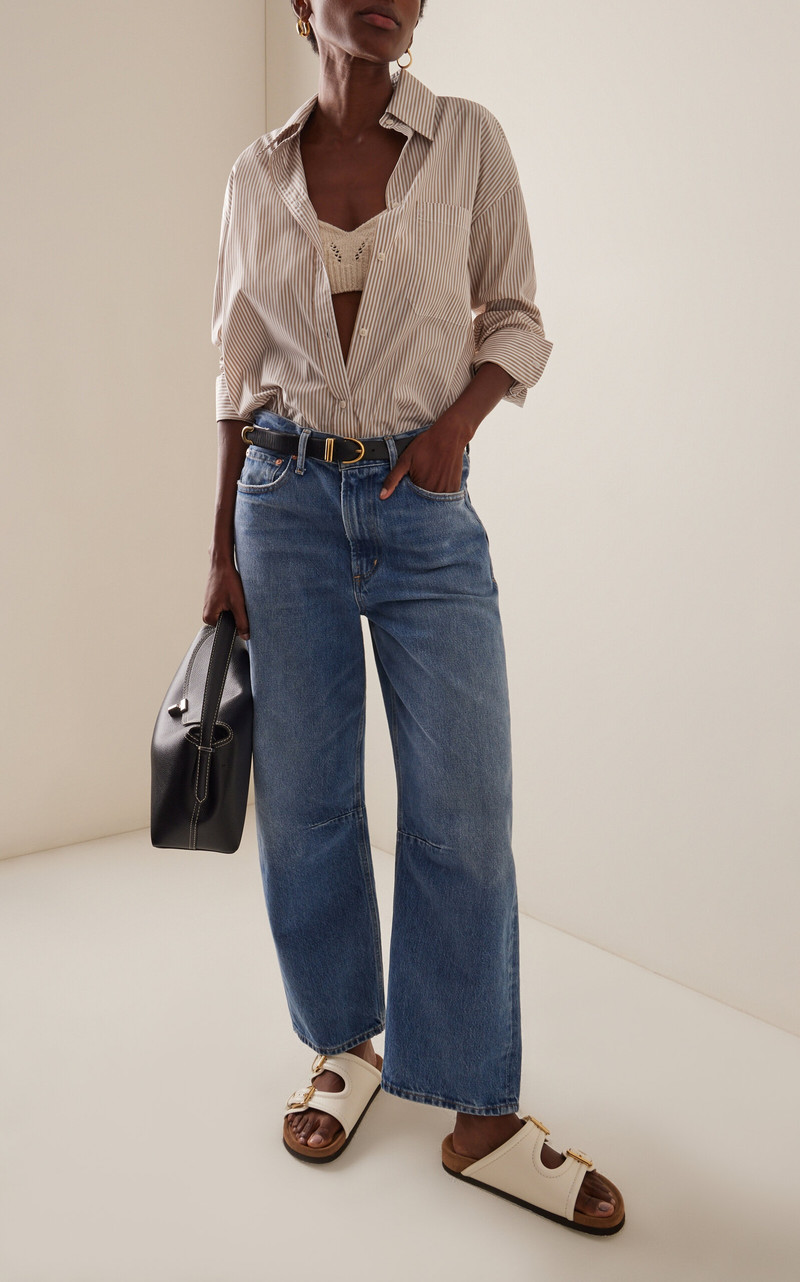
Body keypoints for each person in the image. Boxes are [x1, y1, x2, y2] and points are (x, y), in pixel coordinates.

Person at [203, 0, 624, 1235]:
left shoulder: (468, 142)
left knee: (463, 810)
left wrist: (454, 428)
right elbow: (232, 370)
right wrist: (218, 546)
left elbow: (515, 318)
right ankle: (344, 1045)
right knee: (307, 798)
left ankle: (477, 1111)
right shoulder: (252, 177)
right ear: (302, 9)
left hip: (421, 509)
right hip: (280, 505)